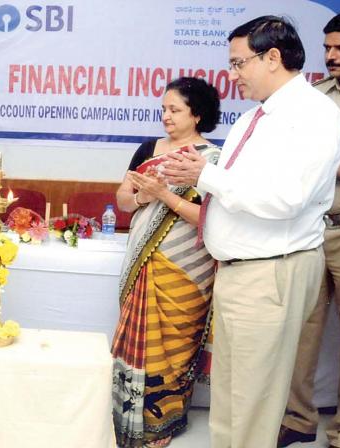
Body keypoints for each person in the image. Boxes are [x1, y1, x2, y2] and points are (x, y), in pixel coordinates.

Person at [162, 16, 340, 448]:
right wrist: (196, 175)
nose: (232, 74)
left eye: (238, 63)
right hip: (239, 269)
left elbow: (287, 199)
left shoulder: (314, 115)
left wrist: (207, 175)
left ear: (273, 58)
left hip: (270, 271)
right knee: (229, 400)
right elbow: (231, 188)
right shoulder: (254, 118)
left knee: (252, 405)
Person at [111, 77, 221, 448]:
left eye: (175, 110)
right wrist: (144, 195)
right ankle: (125, 420)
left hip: (188, 268)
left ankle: (163, 425)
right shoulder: (148, 149)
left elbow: (210, 218)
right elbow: (123, 201)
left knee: (174, 346)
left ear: (198, 114)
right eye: (163, 109)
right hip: (144, 259)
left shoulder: (211, 160)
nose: (166, 117)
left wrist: (162, 195)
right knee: (138, 342)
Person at [278, 11, 340, 448]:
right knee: (300, 327)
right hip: (307, 228)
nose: (331, 56)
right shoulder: (314, 96)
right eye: (327, 48)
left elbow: (309, 162)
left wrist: (322, 166)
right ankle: (298, 419)